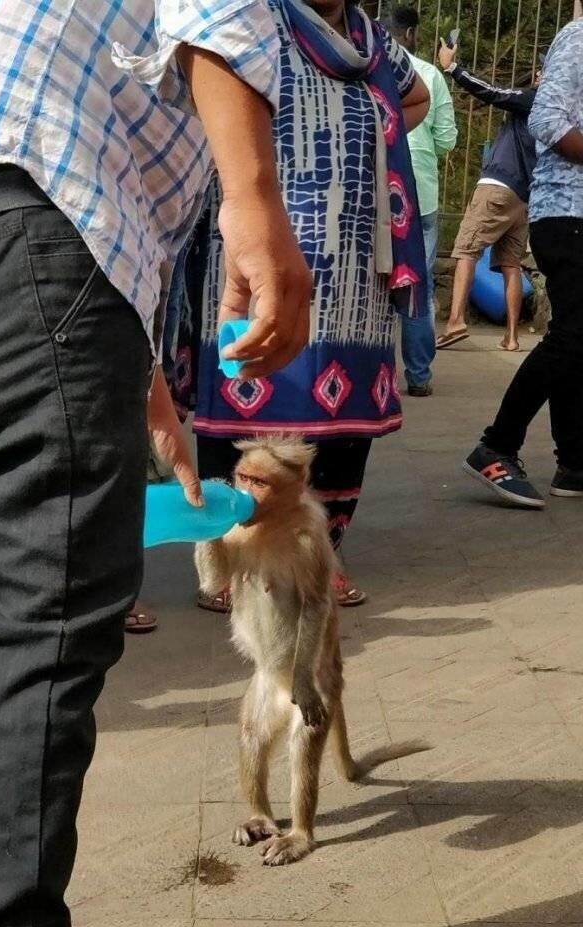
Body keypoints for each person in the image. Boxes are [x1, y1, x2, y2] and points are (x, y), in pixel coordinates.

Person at [0, 3, 312, 927]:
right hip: (27, 203)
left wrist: (141, 372)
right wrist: (257, 209)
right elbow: (218, 13)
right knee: (28, 629)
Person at [172, 0, 430, 612]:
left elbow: (412, 99)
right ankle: (230, 558)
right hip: (253, 245)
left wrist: (368, 136)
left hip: (356, 261)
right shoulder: (252, 21)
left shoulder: (374, 44)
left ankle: (319, 553)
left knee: (344, 422)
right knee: (237, 404)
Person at [463, 18, 583, 508]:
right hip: (569, 212)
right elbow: (547, 120)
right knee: (574, 336)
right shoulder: (579, 39)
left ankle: (574, 464)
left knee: (577, 339)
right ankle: (497, 445)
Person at [436, 40, 539, 352]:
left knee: (466, 250)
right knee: (510, 264)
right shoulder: (564, 109)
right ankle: (511, 336)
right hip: (523, 197)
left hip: (498, 186)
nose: (536, 73)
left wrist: (453, 68)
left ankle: (455, 319)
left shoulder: (533, 98)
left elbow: (493, 93)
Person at [388, 6, 457, 397]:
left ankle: (372, 371)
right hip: (422, 193)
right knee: (418, 284)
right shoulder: (428, 75)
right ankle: (418, 375)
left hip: (379, 185)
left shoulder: (367, 65)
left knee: (372, 279)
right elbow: (447, 139)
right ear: (411, 33)